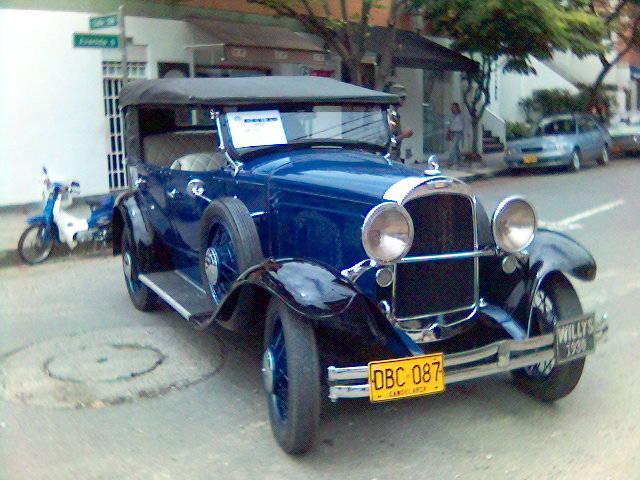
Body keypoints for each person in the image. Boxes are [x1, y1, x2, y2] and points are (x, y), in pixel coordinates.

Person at [387, 84, 414, 161]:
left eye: (404, 97)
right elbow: (389, 141)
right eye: (401, 97)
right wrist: (404, 135)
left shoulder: (395, 114)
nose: (404, 100)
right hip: (389, 156)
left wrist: (404, 134)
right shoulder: (390, 114)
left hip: (395, 155)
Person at [447, 102, 465, 167]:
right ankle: (459, 159)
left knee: (453, 147)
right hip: (452, 132)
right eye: (452, 107)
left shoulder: (461, 116)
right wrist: (448, 131)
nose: (453, 108)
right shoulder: (451, 116)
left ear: (457, 108)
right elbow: (449, 124)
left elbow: (463, 125)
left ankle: (450, 161)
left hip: (458, 133)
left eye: (454, 107)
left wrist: (464, 135)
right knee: (456, 147)